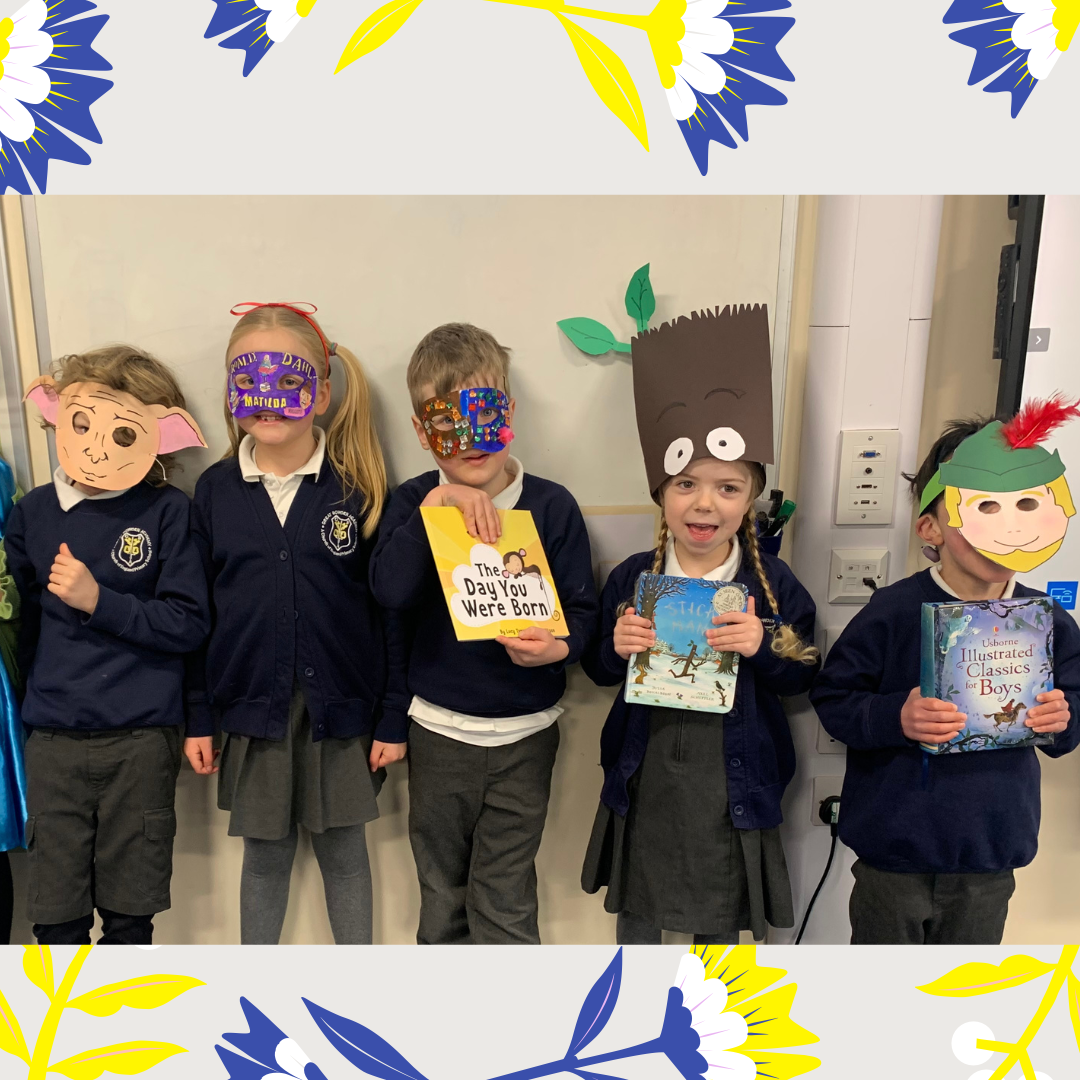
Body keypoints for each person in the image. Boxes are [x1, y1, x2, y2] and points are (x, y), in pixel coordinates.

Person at [580, 304, 818, 945]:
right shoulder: (634, 576)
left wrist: (761, 649)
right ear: (661, 492)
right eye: (686, 484)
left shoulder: (774, 583)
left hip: (732, 787)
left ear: (750, 499)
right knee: (642, 925)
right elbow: (598, 669)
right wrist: (617, 647)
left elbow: (803, 677)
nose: (705, 503)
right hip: (648, 777)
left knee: (724, 932)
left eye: (728, 488)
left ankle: (717, 1039)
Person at [811, 405, 1080, 945]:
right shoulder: (892, 610)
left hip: (990, 857)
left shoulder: (1047, 619)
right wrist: (897, 716)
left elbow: (1071, 708)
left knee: (959, 999)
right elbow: (834, 697)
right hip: (894, 856)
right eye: (980, 510)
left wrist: (1060, 718)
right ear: (930, 526)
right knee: (882, 1000)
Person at [184, 302, 407, 945]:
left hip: (341, 712)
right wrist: (200, 715)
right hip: (254, 713)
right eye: (248, 380)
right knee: (264, 859)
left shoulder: (358, 486)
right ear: (230, 391)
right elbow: (201, 612)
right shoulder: (216, 492)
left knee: (345, 855)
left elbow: (385, 611)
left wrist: (391, 715)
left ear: (322, 390)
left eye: (289, 380)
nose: (269, 398)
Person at [369, 322, 599, 944]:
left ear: (508, 414)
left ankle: (512, 1028)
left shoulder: (551, 507)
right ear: (422, 432)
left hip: (528, 733)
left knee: (505, 891)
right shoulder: (412, 501)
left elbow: (583, 615)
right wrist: (434, 510)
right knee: (442, 892)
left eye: (483, 414)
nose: (469, 439)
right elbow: (388, 592)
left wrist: (558, 649)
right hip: (440, 731)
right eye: (447, 423)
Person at [7, 346, 210, 945]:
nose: (97, 446)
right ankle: (62, 1039)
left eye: (121, 432)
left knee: (130, 915)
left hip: (140, 740)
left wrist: (100, 600)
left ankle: (131, 1036)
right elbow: (17, 624)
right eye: (81, 424)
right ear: (56, 417)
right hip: (53, 742)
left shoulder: (168, 512)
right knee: (55, 916)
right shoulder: (34, 513)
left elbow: (188, 623)